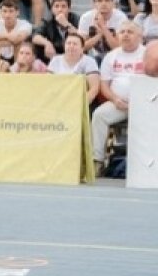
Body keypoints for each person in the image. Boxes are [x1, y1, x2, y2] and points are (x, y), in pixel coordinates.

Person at [92, 20, 147, 175]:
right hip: (119, 103)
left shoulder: (148, 54)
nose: (125, 35)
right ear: (117, 35)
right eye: (122, 32)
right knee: (99, 115)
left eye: (130, 32)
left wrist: (143, 101)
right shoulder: (111, 56)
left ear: (140, 36)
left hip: (145, 105)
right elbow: (104, 85)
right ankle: (97, 160)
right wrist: (115, 99)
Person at [48, 32, 101, 105]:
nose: (71, 46)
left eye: (75, 44)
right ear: (64, 46)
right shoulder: (55, 60)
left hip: (80, 101)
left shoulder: (89, 61)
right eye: (68, 43)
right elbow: (49, 84)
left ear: (82, 48)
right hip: (58, 100)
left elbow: (94, 88)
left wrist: (80, 104)